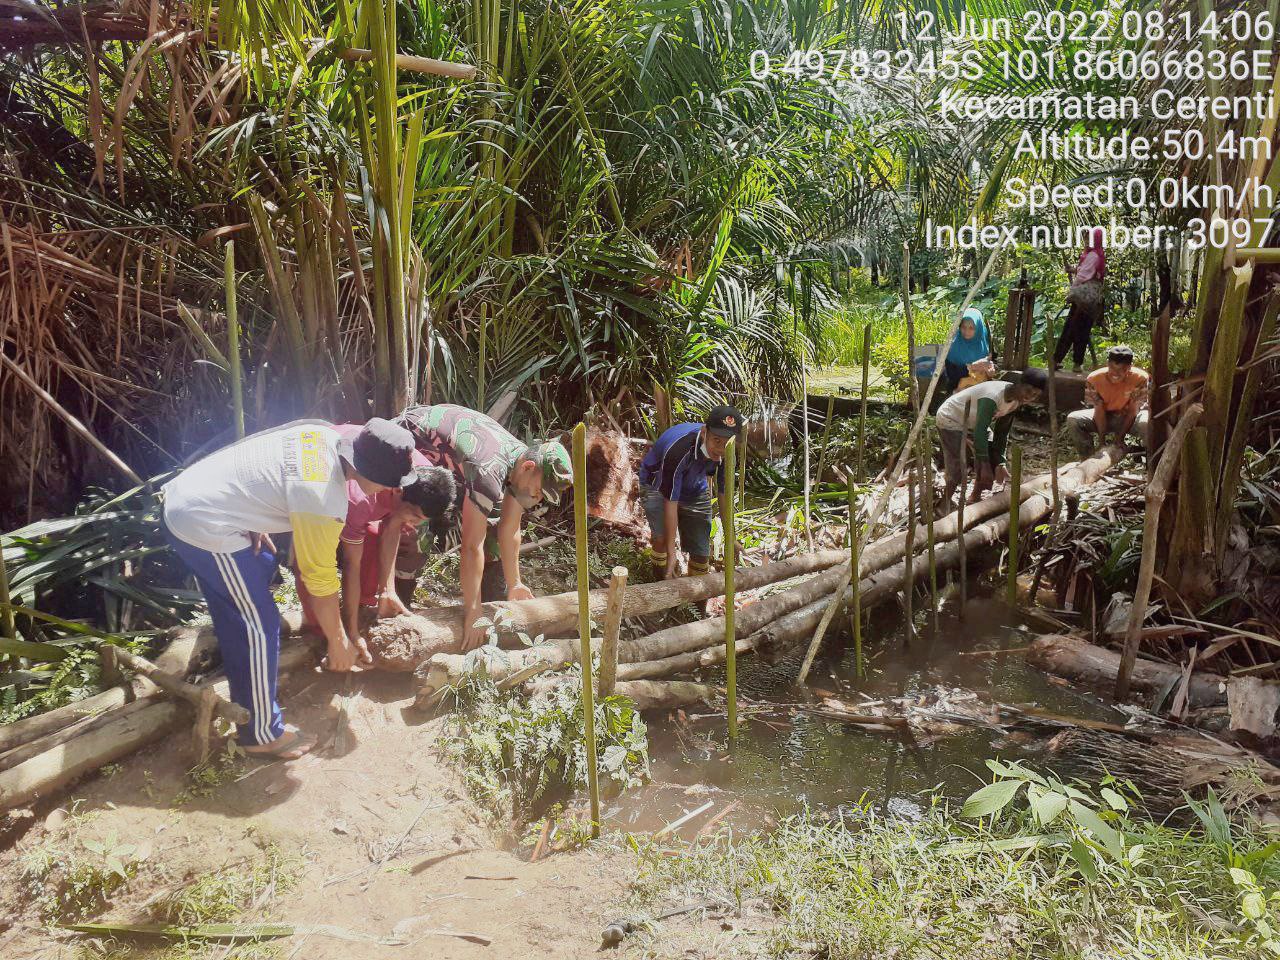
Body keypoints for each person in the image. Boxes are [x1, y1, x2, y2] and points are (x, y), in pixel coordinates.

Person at [162, 418, 418, 759]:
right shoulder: (324, 499)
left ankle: (242, 673)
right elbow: (320, 580)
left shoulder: (325, 436)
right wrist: (338, 641)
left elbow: (264, 468)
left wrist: (252, 517)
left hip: (199, 495)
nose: (391, 490)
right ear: (366, 469)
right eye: (390, 482)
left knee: (260, 572)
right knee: (259, 625)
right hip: (203, 522)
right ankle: (260, 733)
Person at [397, 404, 573, 650]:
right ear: (529, 467)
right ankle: (396, 608)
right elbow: (471, 547)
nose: (538, 498)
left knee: (494, 515)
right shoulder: (489, 470)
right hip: (408, 448)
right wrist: (473, 611)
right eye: (539, 490)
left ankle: (496, 605)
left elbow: (510, 527)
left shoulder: (519, 461)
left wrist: (516, 584)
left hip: (450, 466)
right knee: (414, 528)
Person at [294, 429, 457, 634]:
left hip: (377, 492)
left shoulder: (427, 477)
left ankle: (364, 608)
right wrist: (350, 635)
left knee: (383, 535)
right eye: (413, 516)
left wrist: (387, 590)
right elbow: (351, 564)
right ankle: (318, 624)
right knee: (312, 560)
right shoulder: (359, 496)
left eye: (420, 520)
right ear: (398, 490)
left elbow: (393, 526)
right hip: (309, 484)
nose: (414, 523)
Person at [638, 405, 741, 581]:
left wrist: (730, 538)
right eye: (716, 441)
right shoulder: (679, 450)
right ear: (704, 433)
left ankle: (695, 606)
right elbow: (671, 501)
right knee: (661, 539)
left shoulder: (728, 453)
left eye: (727, 443)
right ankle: (661, 586)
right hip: (657, 485)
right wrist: (672, 553)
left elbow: (724, 494)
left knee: (701, 550)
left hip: (694, 486)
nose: (721, 449)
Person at [935, 369, 1047, 504]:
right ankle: (944, 503)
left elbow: (1002, 432)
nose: (1030, 397)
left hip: (973, 422)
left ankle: (975, 495)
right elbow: (980, 431)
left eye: (1035, 395)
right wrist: (985, 464)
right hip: (951, 419)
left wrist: (1000, 462)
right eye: (1028, 391)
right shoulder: (993, 396)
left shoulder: (1017, 401)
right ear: (1019, 384)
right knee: (958, 466)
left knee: (993, 457)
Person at [1066, 345, 1150, 455]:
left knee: (1146, 422)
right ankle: (1089, 458)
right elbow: (1099, 410)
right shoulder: (1094, 379)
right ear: (1108, 364)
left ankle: (1152, 462)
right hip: (1106, 416)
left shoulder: (1140, 378)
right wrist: (1102, 442)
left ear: (1129, 367)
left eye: (1122, 370)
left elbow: (1132, 412)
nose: (1115, 373)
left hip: (1130, 417)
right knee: (1073, 419)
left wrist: (1119, 439)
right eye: (1112, 368)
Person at [1056, 228, 1107, 373]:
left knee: (1071, 329)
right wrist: (1073, 269)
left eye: (1088, 239)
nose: (1085, 242)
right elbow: (1087, 271)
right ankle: (1076, 363)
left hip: (1082, 300)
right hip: (1091, 300)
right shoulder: (1097, 254)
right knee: (1082, 330)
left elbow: (1084, 276)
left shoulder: (1092, 255)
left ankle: (1057, 359)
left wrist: (1072, 291)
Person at [942, 307, 997, 393]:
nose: (967, 331)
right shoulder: (954, 345)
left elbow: (991, 366)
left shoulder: (985, 340)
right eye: (963, 327)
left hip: (980, 386)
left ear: (978, 328)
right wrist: (972, 367)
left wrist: (990, 371)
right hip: (958, 388)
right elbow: (951, 376)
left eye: (971, 328)